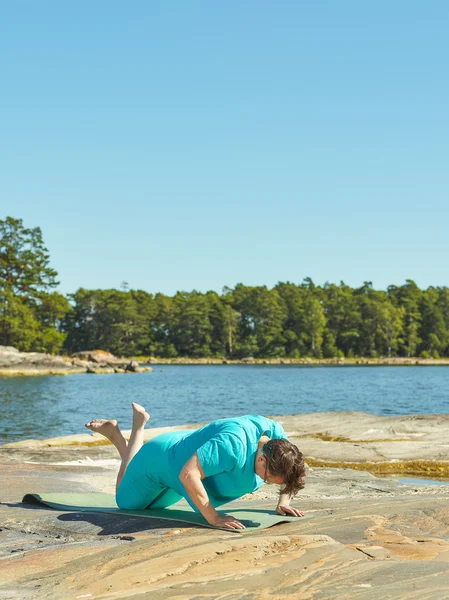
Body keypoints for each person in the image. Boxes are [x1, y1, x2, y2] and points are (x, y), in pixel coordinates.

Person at [85, 402, 306, 530]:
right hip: (161, 459)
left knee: (154, 507)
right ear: (261, 460)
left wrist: (283, 501)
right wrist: (214, 518)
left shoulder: (278, 440)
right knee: (126, 502)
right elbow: (189, 474)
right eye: (267, 479)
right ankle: (127, 431)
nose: (264, 482)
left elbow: (292, 471)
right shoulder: (232, 446)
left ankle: (126, 436)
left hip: (187, 458)